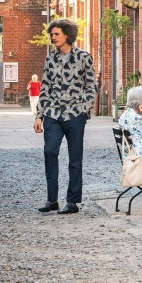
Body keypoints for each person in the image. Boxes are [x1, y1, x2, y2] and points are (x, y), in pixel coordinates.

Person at [34, 19, 96, 215]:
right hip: (52, 113)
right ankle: (52, 200)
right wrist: (39, 115)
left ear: (67, 35)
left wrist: (83, 110)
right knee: (50, 152)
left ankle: (72, 201)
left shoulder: (83, 57)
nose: (53, 38)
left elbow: (91, 86)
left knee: (74, 159)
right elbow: (45, 87)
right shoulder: (50, 59)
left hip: (75, 114)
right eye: (52, 34)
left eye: (56, 34)